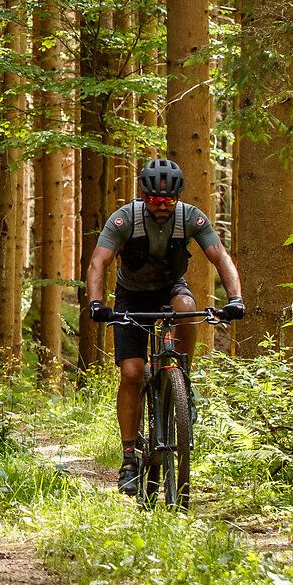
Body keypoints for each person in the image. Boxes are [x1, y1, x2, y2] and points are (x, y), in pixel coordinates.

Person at [84, 157, 245, 496]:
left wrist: (235, 299)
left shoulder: (191, 218)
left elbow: (221, 257)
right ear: (144, 196)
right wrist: (97, 303)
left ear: (177, 198)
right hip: (131, 298)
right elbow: (99, 260)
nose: (162, 206)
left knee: (187, 308)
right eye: (155, 200)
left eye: (168, 200)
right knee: (131, 373)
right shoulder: (125, 219)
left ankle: (181, 377)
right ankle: (129, 457)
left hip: (170, 289)